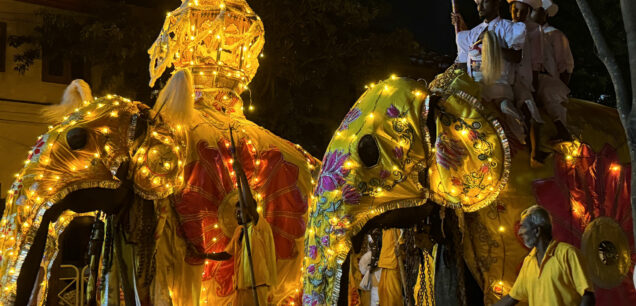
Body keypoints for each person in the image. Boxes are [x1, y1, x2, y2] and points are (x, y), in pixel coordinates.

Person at [452, 0, 528, 143]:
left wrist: (490, 44)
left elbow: (516, 57)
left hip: (499, 88)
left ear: (497, 3)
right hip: (475, 90)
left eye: (485, 2)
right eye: (477, 3)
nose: (480, 7)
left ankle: (523, 135)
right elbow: (462, 65)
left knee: (506, 109)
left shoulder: (510, 28)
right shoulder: (471, 34)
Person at [205, 158, 277, 306]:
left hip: (257, 287)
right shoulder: (239, 231)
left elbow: (250, 206)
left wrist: (242, 175)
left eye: (240, 212)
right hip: (241, 288)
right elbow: (227, 253)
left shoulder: (260, 227)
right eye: (236, 213)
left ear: (250, 213)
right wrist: (203, 255)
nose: (237, 215)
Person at [495, 205, 595, 306]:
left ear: (537, 231)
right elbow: (512, 298)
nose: (520, 232)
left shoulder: (568, 253)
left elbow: (587, 295)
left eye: (523, 227)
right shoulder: (529, 261)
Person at [508, 0, 553, 166]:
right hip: (504, 78)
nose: (518, 14)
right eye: (514, 10)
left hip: (522, 80)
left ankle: (535, 152)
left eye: (522, 11)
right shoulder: (505, 27)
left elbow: (535, 62)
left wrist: (534, 87)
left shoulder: (534, 30)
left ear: (529, 12)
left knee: (531, 110)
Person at [531, 0, 573, 144]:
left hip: (547, 79)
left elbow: (565, 65)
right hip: (528, 78)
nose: (531, 13)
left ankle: (562, 130)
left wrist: (561, 89)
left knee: (549, 93)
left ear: (545, 14)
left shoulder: (554, 34)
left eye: (535, 10)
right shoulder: (524, 33)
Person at [377, 228, 403, 305]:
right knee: (383, 293)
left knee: (393, 296)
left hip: (393, 262)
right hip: (386, 262)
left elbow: (401, 242)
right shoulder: (386, 226)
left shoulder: (398, 227)